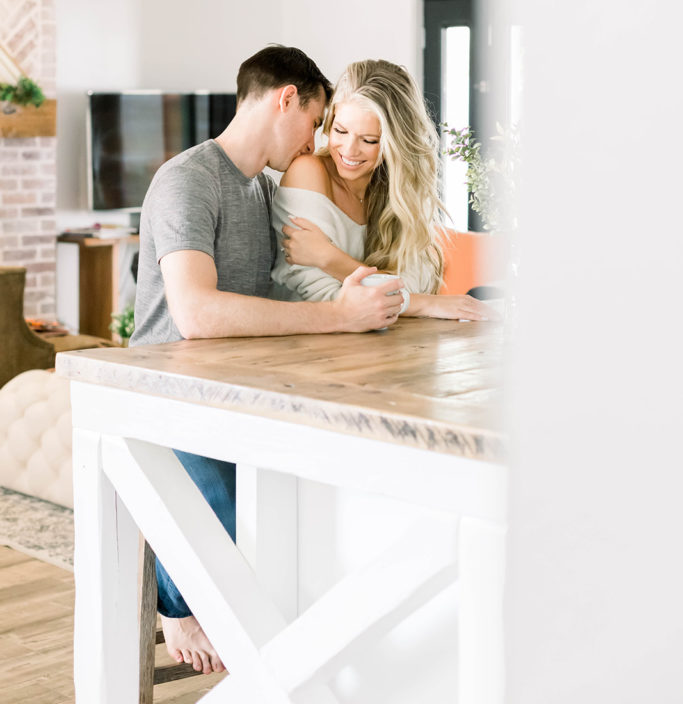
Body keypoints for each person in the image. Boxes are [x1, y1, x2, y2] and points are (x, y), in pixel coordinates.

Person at [130, 46, 406, 675]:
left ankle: (286, 656)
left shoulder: (262, 188)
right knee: (233, 506)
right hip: (172, 391)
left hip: (235, 387)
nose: (319, 141)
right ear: (289, 99)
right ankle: (179, 606)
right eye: (317, 122)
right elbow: (196, 315)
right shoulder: (188, 179)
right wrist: (340, 316)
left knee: (316, 496)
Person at [271, 58, 499, 320]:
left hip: (384, 344)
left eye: (369, 140)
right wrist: (423, 305)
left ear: (395, 143)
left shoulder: (397, 190)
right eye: (340, 131)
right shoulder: (308, 173)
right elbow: (320, 296)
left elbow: (415, 285)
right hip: (306, 348)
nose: (349, 150)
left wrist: (330, 258)